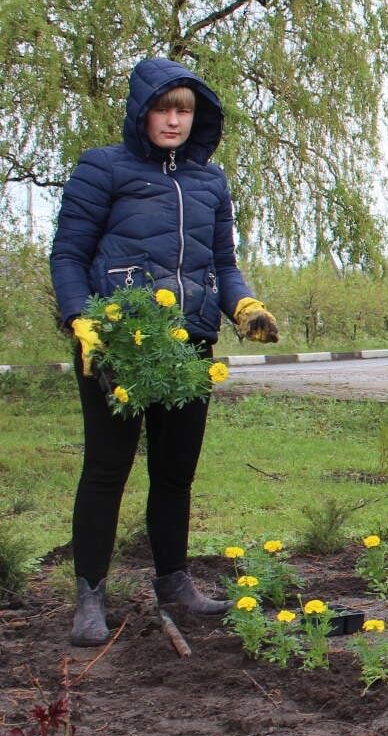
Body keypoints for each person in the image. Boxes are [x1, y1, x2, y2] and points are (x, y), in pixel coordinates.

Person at [49, 57, 279, 647]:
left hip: (188, 345)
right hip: (118, 343)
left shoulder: (210, 181)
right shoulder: (103, 169)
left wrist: (244, 307)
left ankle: (174, 582)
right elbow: (68, 255)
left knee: (175, 473)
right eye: (164, 108)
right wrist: (80, 321)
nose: (174, 120)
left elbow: (222, 266)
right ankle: (90, 596)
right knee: (106, 469)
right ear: (141, 111)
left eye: (184, 110)